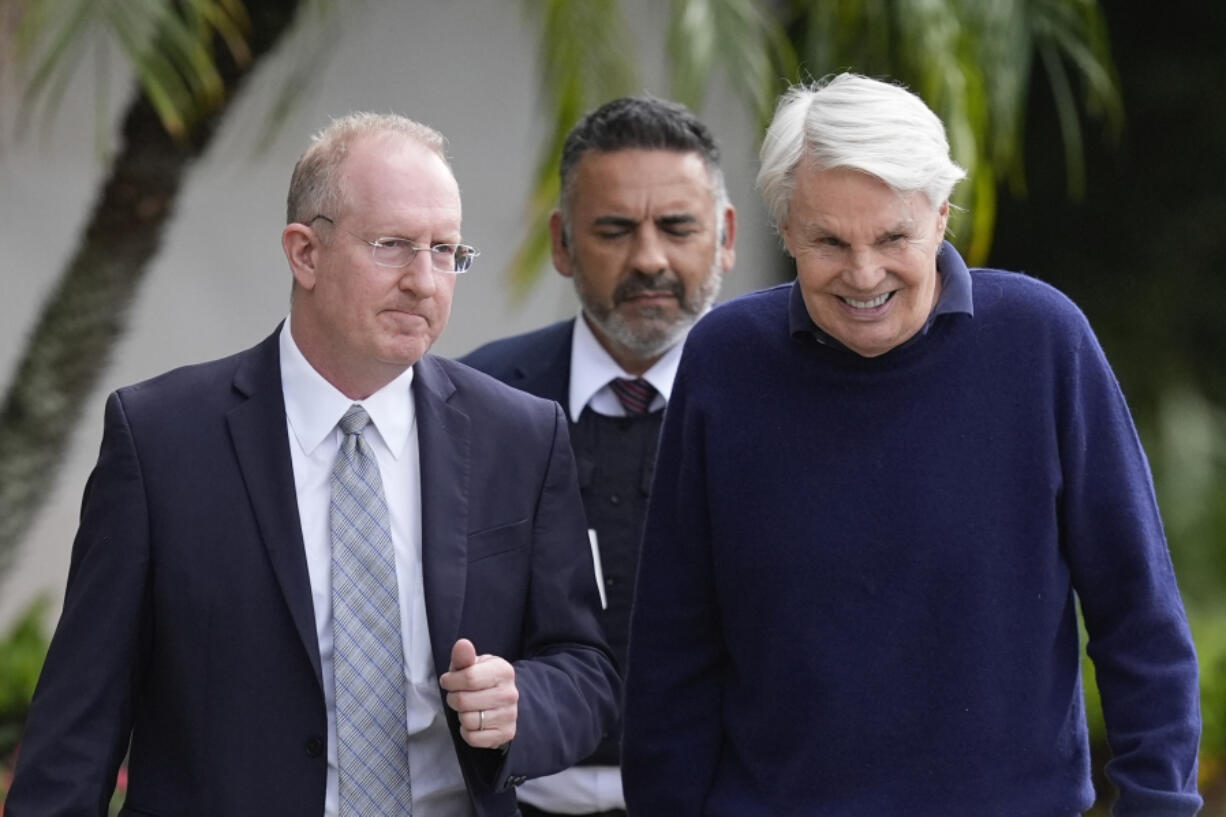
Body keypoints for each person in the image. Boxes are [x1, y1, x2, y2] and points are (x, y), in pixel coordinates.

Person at [621, 73, 1203, 817]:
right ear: (786, 229)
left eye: (893, 236)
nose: (864, 274)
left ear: (941, 218)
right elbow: (674, 643)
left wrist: (1159, 805)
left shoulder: (1042, 341)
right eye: (829, 240)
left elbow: (1140, 615)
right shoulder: (725, 362)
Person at [6, 113, 618, 817]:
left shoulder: (522, 435)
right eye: (393, 246)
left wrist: (521, 703)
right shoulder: (160, 441)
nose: (425, 280)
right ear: (305, 253)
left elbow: (586, 668)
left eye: (446, 251)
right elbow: (78, 723)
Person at [461, 96, 735, 817]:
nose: (650, 258)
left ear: (727, 236)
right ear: (561, 243)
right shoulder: (475, 401)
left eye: (678, 227)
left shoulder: (788, 404)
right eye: (615, 229)